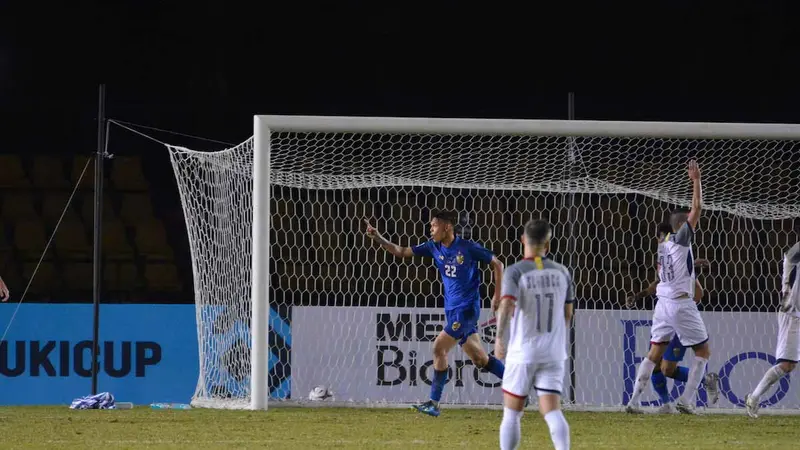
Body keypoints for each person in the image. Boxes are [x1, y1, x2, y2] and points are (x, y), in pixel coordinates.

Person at [364, 210, 505, 417]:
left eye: (434, 226)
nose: (430, 229)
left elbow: (498, 264)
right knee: (480, 360)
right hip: (452, 310)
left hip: (466, 311)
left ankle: (433, 403)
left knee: (439, 348)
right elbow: (401, 251)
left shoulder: (467, 248)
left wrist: (497, 295)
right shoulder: (433, 247)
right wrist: (377, 237)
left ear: (446, 227)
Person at [625, 160, 710, 415]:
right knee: (703, 351)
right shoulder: (683, 237)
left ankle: (633, 401)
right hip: (681, 304)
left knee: (654, 353)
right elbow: (697, 208)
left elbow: (672, 270)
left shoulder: (664, 246)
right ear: (682, 226)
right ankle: (686, 400)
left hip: (662, 304)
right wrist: (695, 180)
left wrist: (694, 264)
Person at [495, 219, 572, 450]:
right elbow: (568, 314)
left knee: (512, 413)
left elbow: (506, 305)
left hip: (523, 352)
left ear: (522, 240)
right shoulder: (562, 272)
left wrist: (499, 338)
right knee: (552, 411)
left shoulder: (516, 271)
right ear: (548, 243)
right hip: (553, 353)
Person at [625, 223, 719, 411]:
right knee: (661, 365)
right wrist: (638, 296)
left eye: (663, 239)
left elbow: (699, 295)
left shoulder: (680, 261)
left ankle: (701, 384)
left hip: (681, 319)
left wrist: (690, 279)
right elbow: (656, 284)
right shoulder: (664, 259)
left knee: (665, 366)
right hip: (667, 312)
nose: (662, 243)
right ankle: (666, 403)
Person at [745, 241, 800, 418]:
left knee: (789, 364)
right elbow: (790, 255)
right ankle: (753, 398)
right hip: (792, 314)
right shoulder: (793, 259)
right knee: (786, 364)